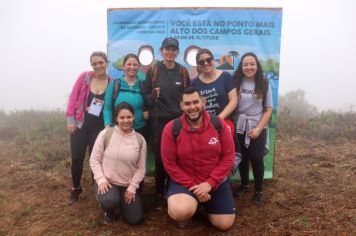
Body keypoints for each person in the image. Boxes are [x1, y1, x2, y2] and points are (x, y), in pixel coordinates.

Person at [161, 87, 236, 230]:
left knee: (224, 224)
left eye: (195, 102)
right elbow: (170, 164)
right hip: (185, 182)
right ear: (181, 106)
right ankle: (189, 206)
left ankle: (203, 205)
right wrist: (195, 188)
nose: (192, 107)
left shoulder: (219, 124)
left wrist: (210, 183)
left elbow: (228, 157)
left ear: (203, 102)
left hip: (214, 182)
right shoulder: (171, 128)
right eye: (187, 104)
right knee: (179, 212)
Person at [142, 37, 190, 209]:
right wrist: (152, 96)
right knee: (161, 160)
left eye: (173, 49)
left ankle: (174, 190)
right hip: (159, 123)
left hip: (179, 122)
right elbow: (145, 95)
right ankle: (159, 194)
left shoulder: (183, 72)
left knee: (179, 157)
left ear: (177, 52)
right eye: (167, 49)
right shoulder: (153, 71)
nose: (170, 52)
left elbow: (188, 97)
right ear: (161, 50)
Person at [90, 102, 147, 225]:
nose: (125, 121)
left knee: (135, 219)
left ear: (134, 117)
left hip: (127, 186)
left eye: (129, 117)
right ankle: (108, 210)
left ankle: (122, 202)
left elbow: (141, 168)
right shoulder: (106, 133)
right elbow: (94, 159)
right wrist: (101, 180)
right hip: (108, 182)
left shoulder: (140, 139)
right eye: (122, 117)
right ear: (116, 118)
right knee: (109, 201)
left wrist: (132, 187)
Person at [66, 51, 111, 203]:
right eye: (94, 63)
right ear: (91, 65)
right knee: (77, 157)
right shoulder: (85, 77)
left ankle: (96, 186)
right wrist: (70, 120)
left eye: (101, 62)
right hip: (80, 125)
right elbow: (73, 97)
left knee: (95, 159)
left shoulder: (112, 83)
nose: (98, 66)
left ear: (106, 63)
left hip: (98, 128)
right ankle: (76, 187)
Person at [232, 52, 273, 205]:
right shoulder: (236, 82)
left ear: (257, 65)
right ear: (241, 67)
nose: (249, 67)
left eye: (252, 64)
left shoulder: (264, 83)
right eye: (245, 64)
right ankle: (244, 185)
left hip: (257, 125)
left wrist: (258, 129)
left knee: (256, 158)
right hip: (239, 125)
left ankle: (259, 190)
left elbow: (268, 109)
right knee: (242, 157)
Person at [103, 53, 149, 139]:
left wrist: (149, 112)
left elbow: (150, 103)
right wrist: (107, 125)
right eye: (129, 64)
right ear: (123, 67)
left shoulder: (143, 84)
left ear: (139, 67)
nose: (132, 67)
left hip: (140, 130)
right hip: (118, 130)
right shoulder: (114, 84)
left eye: (135, 65)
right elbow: (107, 107)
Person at [192, 48, 237, 131]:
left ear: (213, 60)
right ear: (198, 65)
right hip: (203, 127)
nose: (205, 63)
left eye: (208, 60)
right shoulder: (194, 83)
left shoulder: (226, 77)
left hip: (224, 124)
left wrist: (218, 119)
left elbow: (233, 101)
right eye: (201, 62)